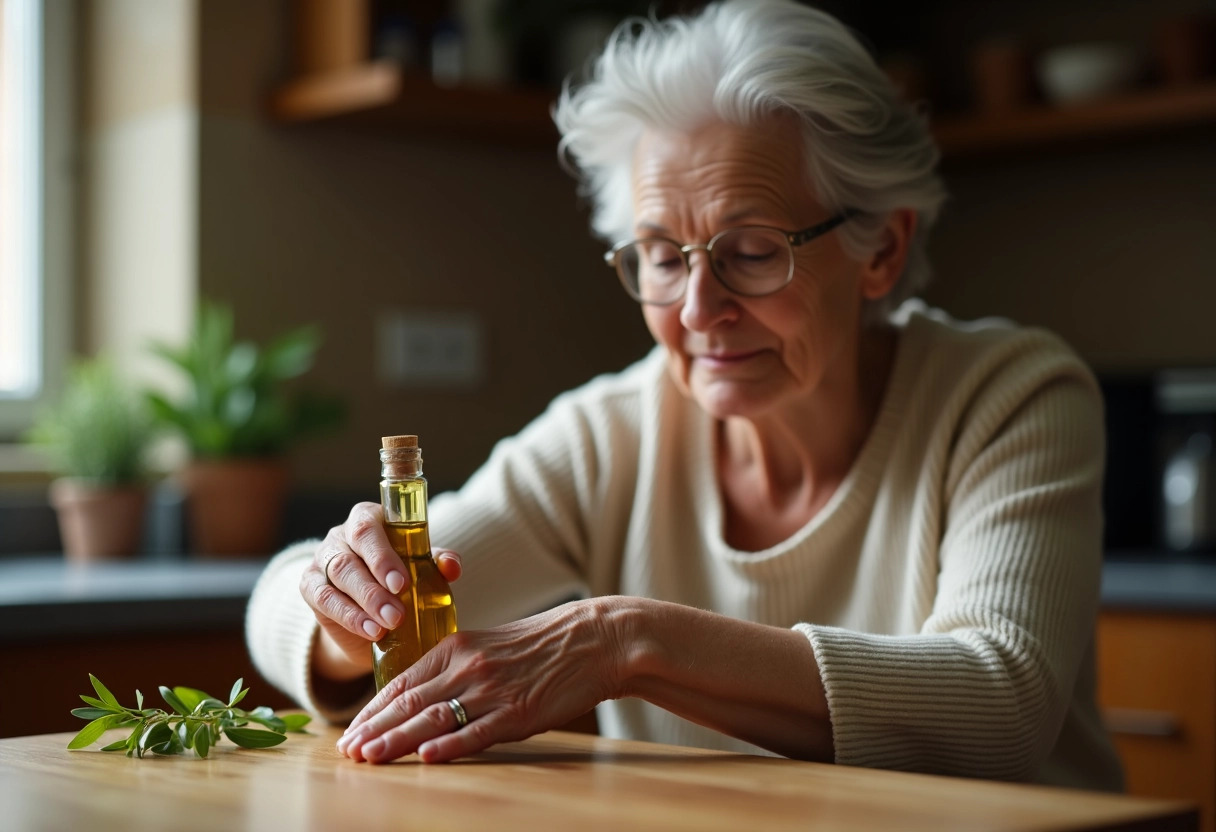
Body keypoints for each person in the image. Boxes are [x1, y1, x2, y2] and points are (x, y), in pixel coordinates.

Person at [247, 0, 1123, 790]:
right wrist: (351, 609)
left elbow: (1001, 704)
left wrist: (628, 642)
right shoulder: (613, 434)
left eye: (750, 250)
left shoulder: (1009, 396)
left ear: (882, 251)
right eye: (663, 256)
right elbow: (277, 603)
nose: (699, 310)